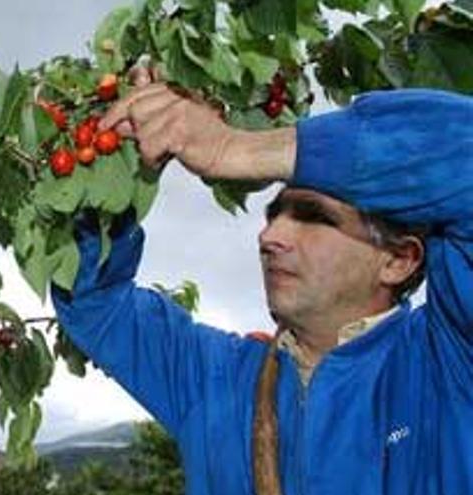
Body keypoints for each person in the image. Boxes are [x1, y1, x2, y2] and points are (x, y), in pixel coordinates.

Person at [50, 71, 473, 495]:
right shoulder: (215, 378)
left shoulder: (450, 360)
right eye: (273, 216)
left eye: (312, 216)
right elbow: (93, 301)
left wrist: (234, 148)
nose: (269, 238)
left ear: (400, 260)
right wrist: (117, 156)